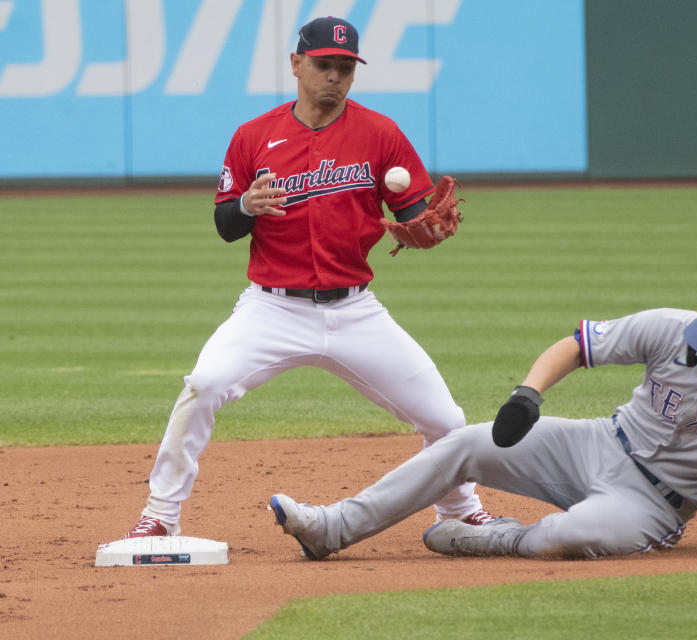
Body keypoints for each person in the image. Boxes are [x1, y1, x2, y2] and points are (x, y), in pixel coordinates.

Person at [124, 17, 493, 538]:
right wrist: (248, 206)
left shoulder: (381, 133)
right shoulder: (253, 137)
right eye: (324, 65)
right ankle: (160, 514)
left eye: (345, 68)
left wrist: (425, 232)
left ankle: (459, 510)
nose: (334, 77)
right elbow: (225, 225)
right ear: (297, 64)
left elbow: (413, 213)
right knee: (204, 385)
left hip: (355, 309)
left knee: (445, 419)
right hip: (272, 309)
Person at [269, 284, 697, 559]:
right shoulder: (668, 329)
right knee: (465, 443)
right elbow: (577, 347)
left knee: (564, 537)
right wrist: (529, 392)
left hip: (653, 505)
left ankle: (493, 539)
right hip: (597, 444)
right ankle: (331, 529)